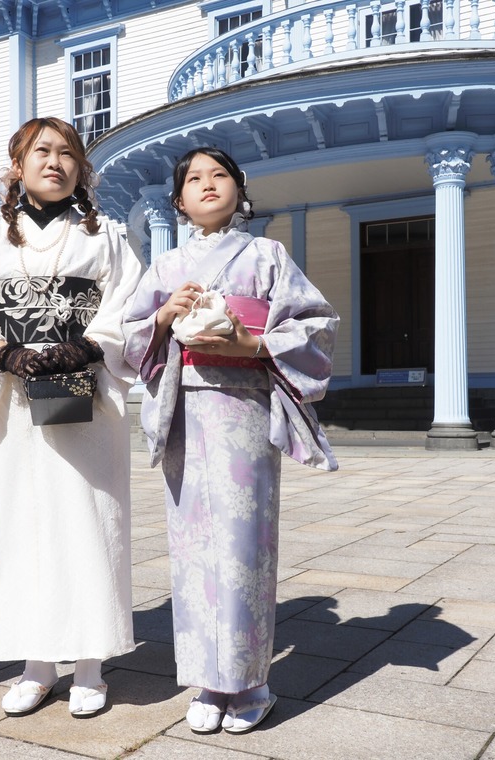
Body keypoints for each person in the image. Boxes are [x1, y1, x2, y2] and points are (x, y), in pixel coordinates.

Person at [121, 147, 339, 734]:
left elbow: (315, 322)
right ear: (178, 200)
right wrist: (165, 315)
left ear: (240, 190)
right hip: (187, 408)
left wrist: (253, 346)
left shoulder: (267, 253)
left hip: (243, 405)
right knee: (192, 545)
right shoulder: (165, 265)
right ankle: (208, 680)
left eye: (219, 176)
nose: (207, 184)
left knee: (244, 543)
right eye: (194, 179)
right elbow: (130, 335)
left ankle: (252, 682)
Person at [0, 117, 143, 718]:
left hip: (83, 392)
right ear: (17, 166)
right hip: (15, 398)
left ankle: (90, 662)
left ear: (81, 168)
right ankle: (34, 662)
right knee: (21, 527)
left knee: (89, 518)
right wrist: (1, 352)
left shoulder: (104, 235)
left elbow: (127, 304)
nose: (55, 163)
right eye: (41, 152)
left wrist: (90, 344)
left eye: (67, 154)